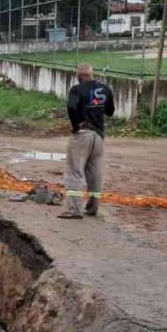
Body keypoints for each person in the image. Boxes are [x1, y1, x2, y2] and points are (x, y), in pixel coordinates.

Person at [59, 63, 114, 218]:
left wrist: (76, 125)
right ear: (91, 73)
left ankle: (75, 209)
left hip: (82, 134)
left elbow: (71, 107)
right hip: (99, 136)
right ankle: (93, 207)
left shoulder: (76, 90)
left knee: (74, 171)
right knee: (95, 172)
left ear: (80, 75)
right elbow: (110, 111)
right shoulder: (105, 89)